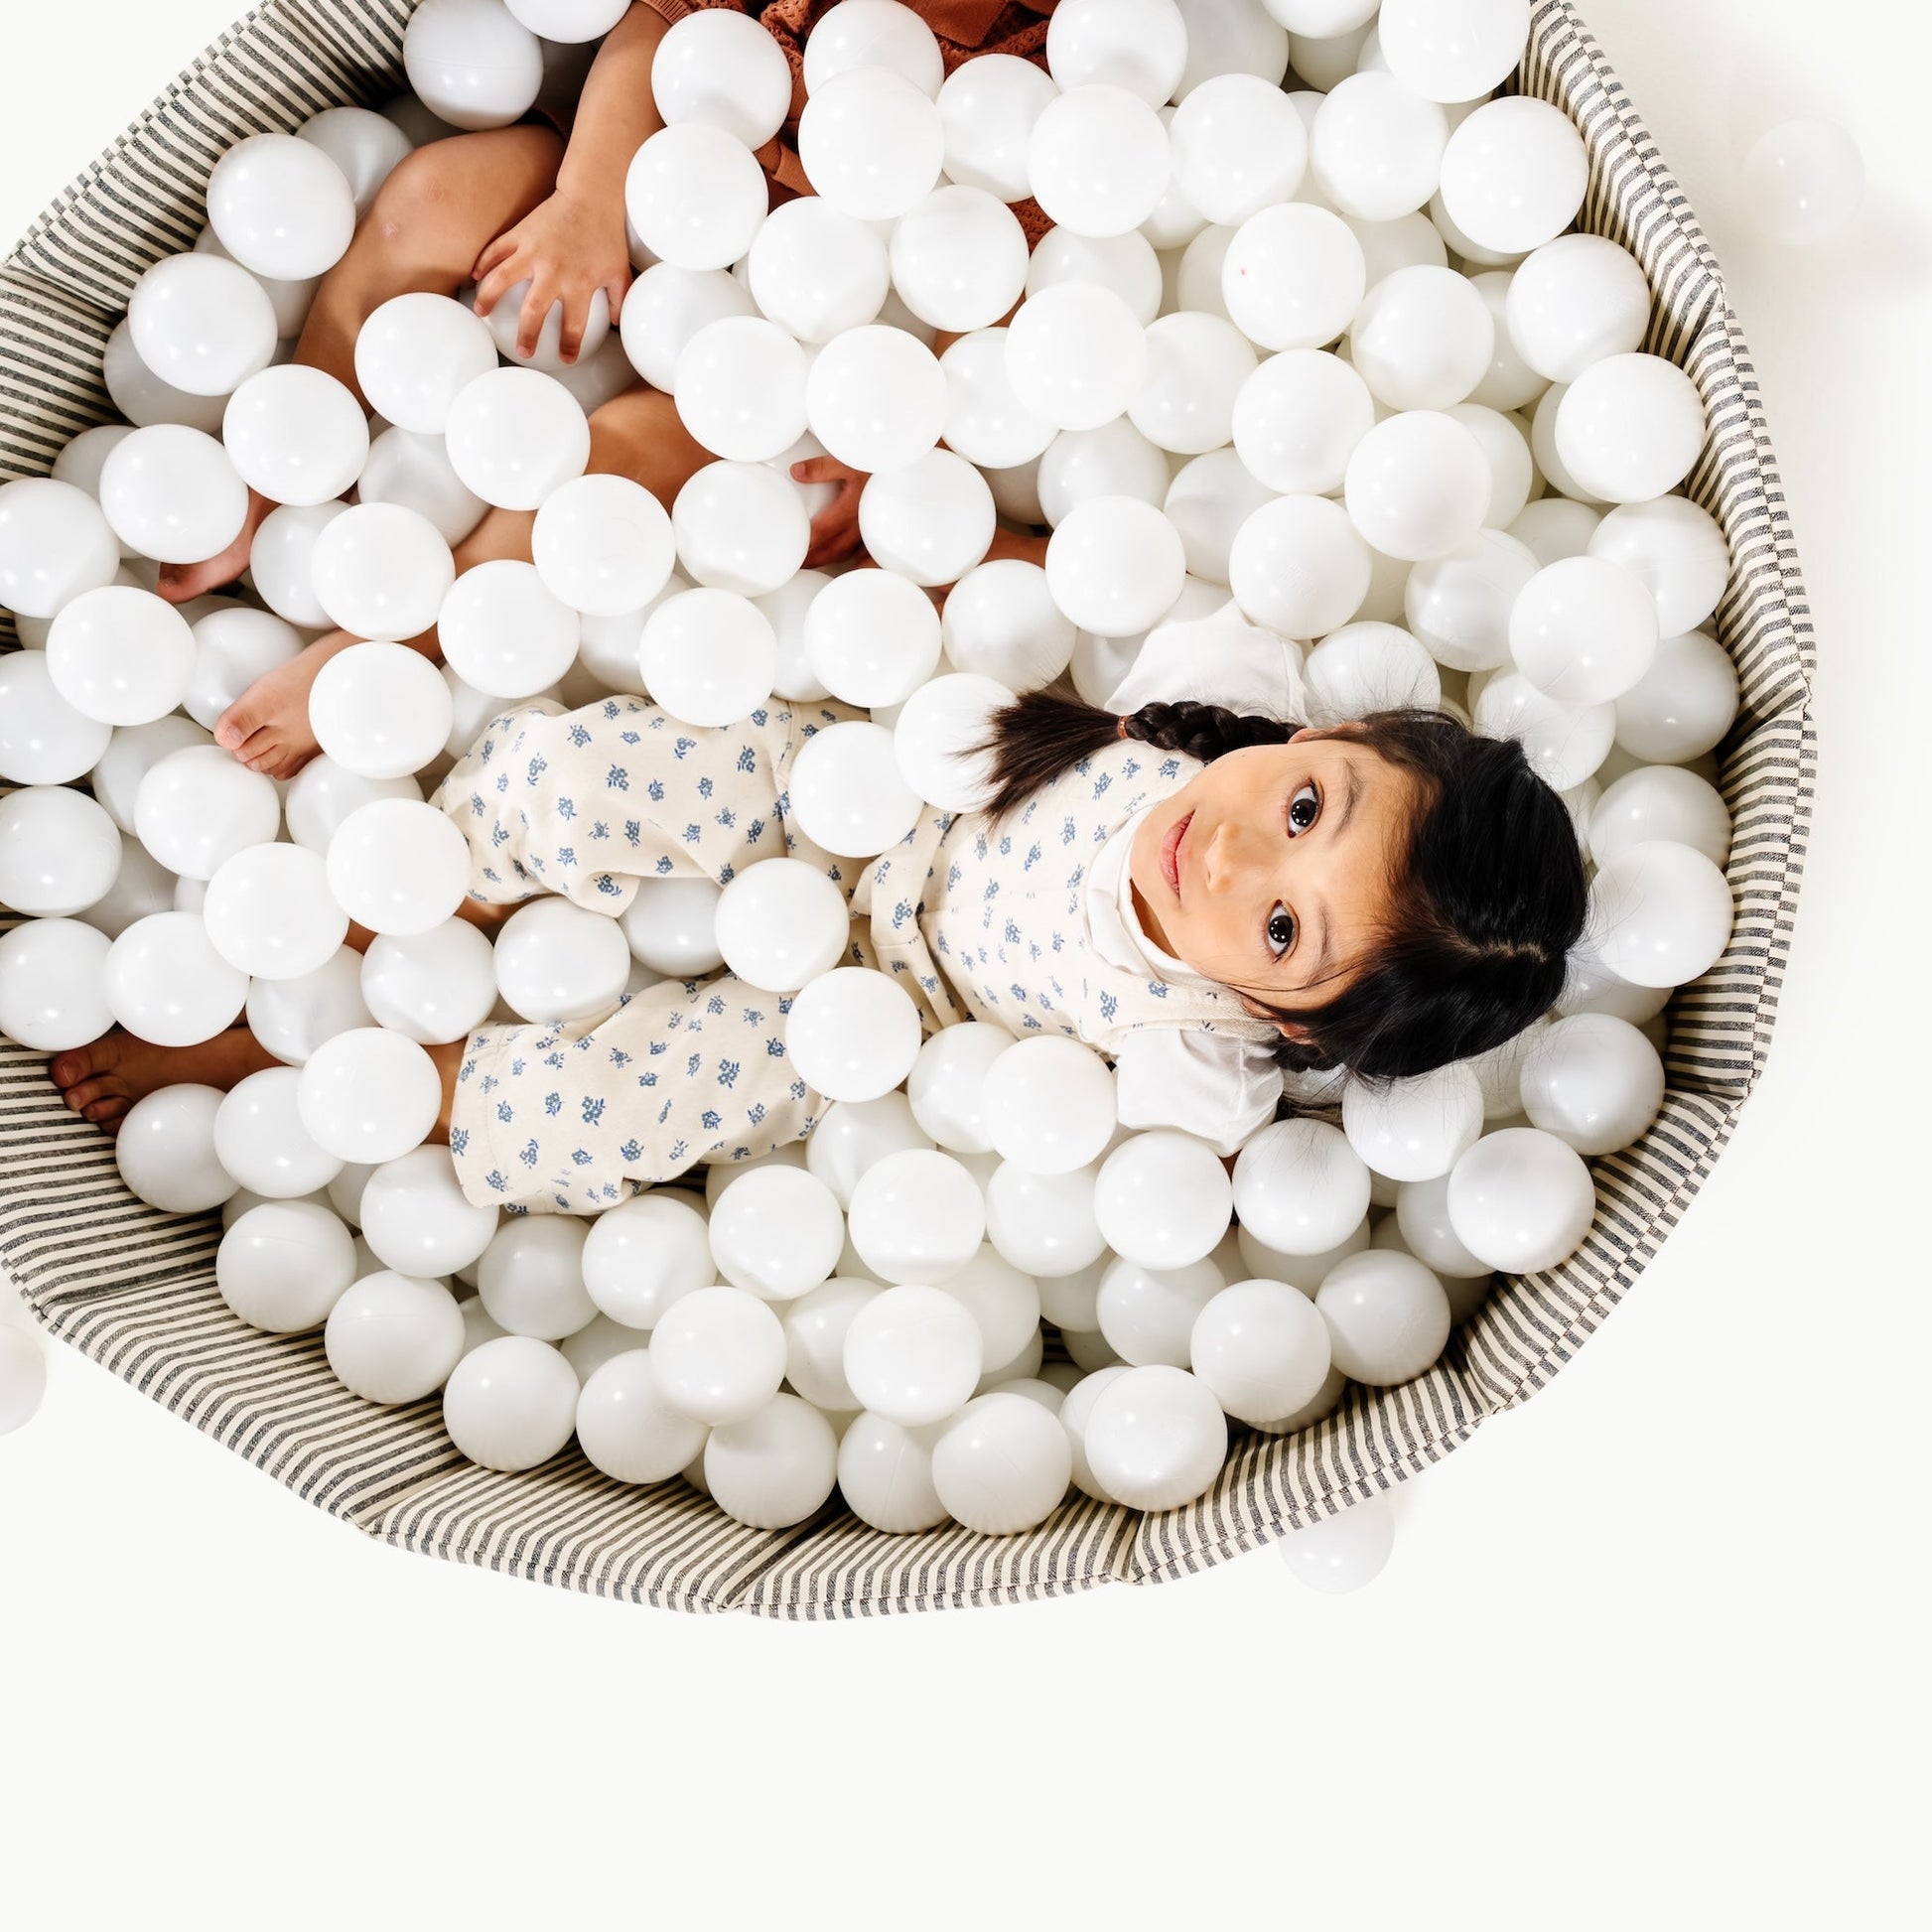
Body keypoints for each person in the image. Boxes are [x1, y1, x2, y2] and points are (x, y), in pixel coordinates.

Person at [50, 680, 1588, 1209]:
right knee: (581, 778)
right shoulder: (1197, 698)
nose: (1239, 846)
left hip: (876, 1020)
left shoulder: (1200, 1061)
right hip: (842, 805)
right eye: (1307, 797)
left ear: (1291, 1014)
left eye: (1277, 923)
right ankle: (394, 894)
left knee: (609, 1112)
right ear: (1329, 729)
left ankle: (295, 1055)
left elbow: (1174, 1163)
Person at [155, 0, 1056, 779]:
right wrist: (585, 205)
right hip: (641, 171)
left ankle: (383, 646)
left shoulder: (1044, 41)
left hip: (792, 334)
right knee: (430, 197)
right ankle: (279, 466)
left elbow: (995, 257)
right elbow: (659, 23)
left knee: (630, 455)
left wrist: (901, 439)